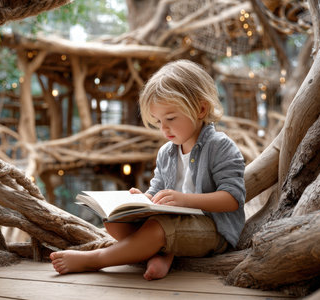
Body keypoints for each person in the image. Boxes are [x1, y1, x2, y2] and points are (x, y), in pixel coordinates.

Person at [50, 59, 246, 280]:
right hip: (170, 224)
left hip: (213, 230)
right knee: (115, 222)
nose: (164, 128)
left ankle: (95, 260)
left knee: (155, 229)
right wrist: (142, 200)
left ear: (200, 109)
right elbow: (157, 190)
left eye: (171, 118)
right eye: (158, 120)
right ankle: (162, 254)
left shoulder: (220, 146)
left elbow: (233, 198)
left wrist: (185, 200)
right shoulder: (166, 153)